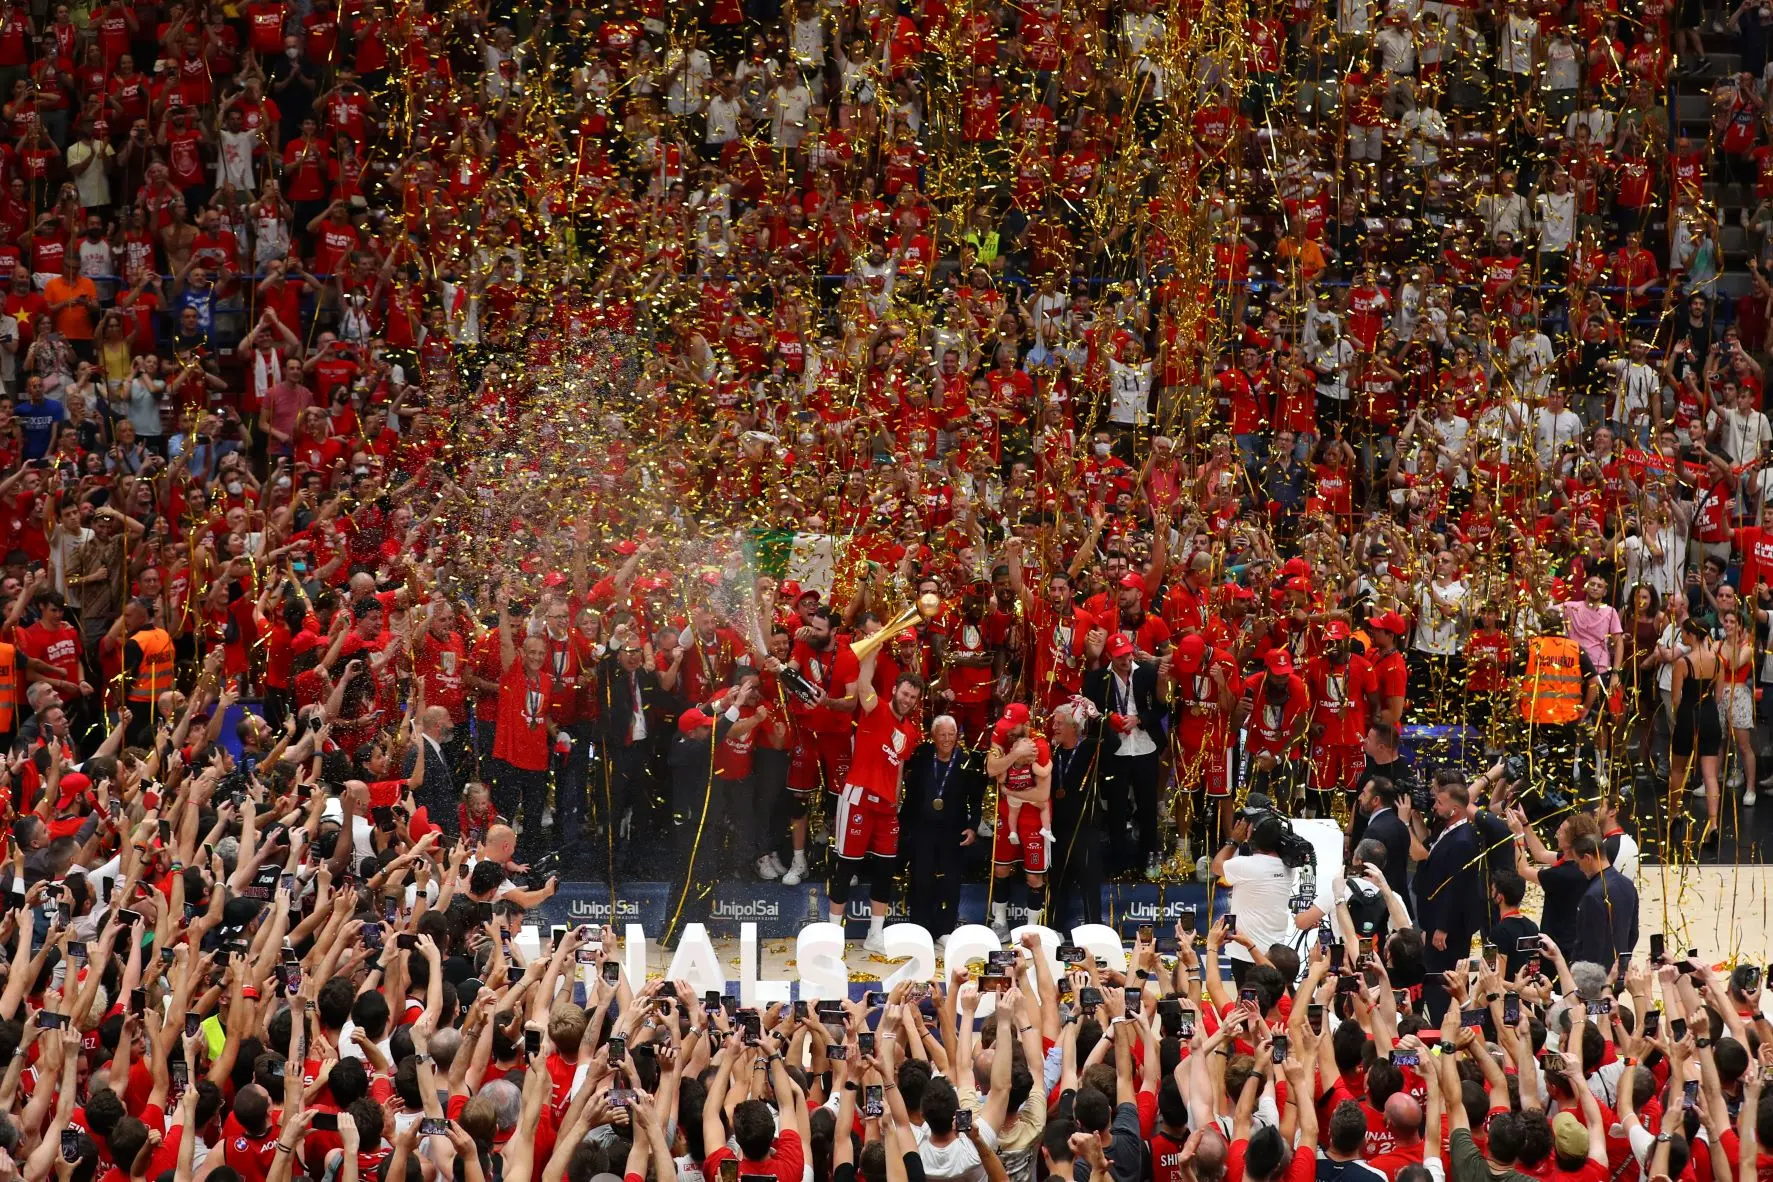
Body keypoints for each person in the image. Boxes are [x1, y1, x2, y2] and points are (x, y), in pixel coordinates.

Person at [1209, 804, 1299, 987]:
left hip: (1245, 952)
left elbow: (1216, 865)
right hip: (1275, 953)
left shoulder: (1245, 866)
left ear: (1251, 836)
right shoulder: (1289, 868)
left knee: (1247, 1006)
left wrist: (1233, 840)